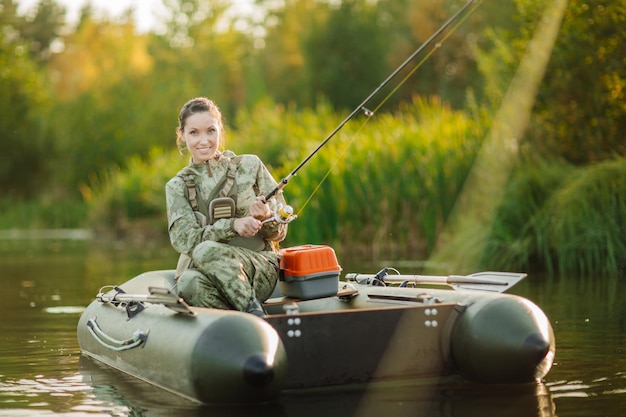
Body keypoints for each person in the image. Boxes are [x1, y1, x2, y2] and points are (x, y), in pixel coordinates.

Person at [165, 97, 288, 316]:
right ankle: (248, 317)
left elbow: (280, 232)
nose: (204, 140)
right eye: (194, 133)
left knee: (204, 250)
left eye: (210, 131)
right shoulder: (177, 186)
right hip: (208, 273)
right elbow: (186, 240)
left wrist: (266, 216)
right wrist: (233, 226)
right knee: (188, 284)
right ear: (182, 135)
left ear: (220, 130)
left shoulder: (251, 166)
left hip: (259, 268)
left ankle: (255, 316)